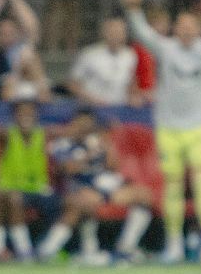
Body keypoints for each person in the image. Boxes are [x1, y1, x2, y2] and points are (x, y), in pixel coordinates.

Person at [123, 0, 201, 264]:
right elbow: (143, 33)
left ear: (199, 29)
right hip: (168, 127)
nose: (186, 31)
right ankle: (174, 244)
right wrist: (134, 9)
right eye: (181, 26)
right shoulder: (166, 49)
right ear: (175, 29)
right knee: (171, 185)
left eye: (191, 27)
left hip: (199, 127)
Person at [37, 109, 155, 264]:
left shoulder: (97, 142)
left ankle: (126, 247)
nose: (83, 129)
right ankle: (53, 250)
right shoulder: (61, 144)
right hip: (76, 189)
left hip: (105, 188)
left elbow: (114, 166)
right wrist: (88, 155)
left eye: (87, 125)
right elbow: (67, 169)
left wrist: (106, 145)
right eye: (80, 125)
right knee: (85, 202)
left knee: (144, 195)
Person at [0, 101, 59, 261]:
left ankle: (36, 251)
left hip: (39, 190)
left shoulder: (44, 134)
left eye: (29, 112)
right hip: (10, 188)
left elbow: (72, 131)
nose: (26, 116)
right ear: (14, 116)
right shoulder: (6, 135)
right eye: (21, 113)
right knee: (6, 197)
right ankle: (6, 250)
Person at [68, 17, 140, 107]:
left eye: (119, 32)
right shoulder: (89, 54)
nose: (116, 36)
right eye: (112, 32)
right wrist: (93, 99)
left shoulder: (130, 55)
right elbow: (73, 85)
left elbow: (132, 83)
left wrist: (134, 96)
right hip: (93, 108)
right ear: (104, 33)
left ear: (124, 34)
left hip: (120, 108)